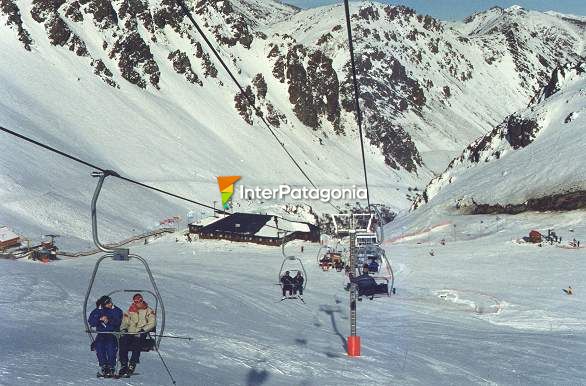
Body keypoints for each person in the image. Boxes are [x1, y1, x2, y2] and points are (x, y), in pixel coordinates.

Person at [118, 293, 157, 377]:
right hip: (130, 332)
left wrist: (143, 330)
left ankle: (132, 364)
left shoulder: (148, 310)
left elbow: (152, 322)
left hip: (141, 332)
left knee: (137, 343)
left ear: (142, 300)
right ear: (134, 302)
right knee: (123, 341)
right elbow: (125, 321)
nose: (139, 303)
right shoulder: (130, 310)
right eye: (136, 301)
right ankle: (124, 364)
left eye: (140, 301)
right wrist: (123, 329)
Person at [88, 295, 123, 377]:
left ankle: (111, 366)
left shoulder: (116, 310)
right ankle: (104, 365)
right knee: (99, 345)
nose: (110, 304)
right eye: (108, 303)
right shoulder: (98, 311)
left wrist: (109, 321)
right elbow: (91, 321)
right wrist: (99, 319)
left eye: (110, 302)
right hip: (101, 334)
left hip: (112, 333)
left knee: (110, 346)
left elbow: (118, 322)